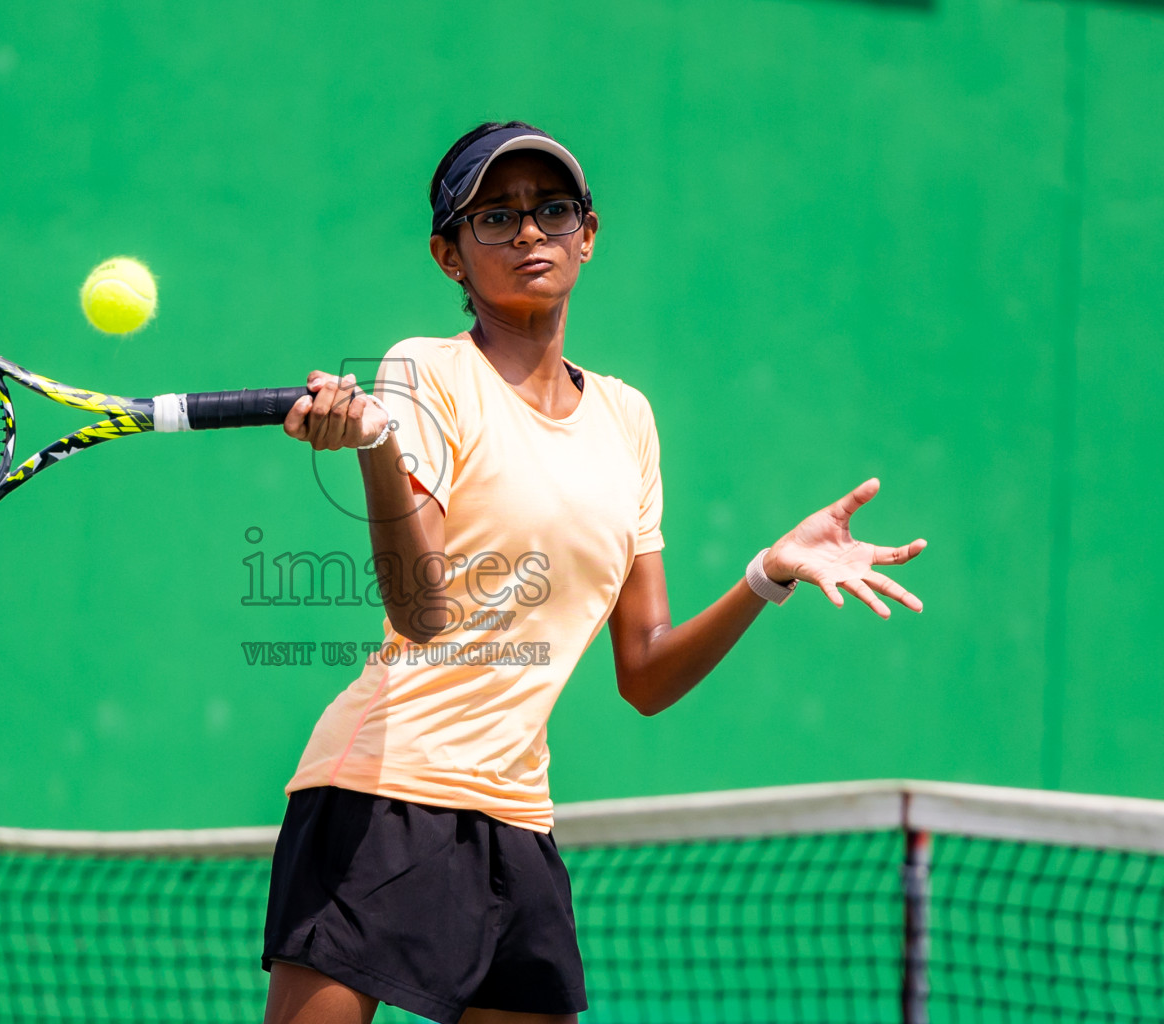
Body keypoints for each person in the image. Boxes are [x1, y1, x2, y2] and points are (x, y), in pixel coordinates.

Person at [269, 121, 927, 1024]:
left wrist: (768, 574)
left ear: (588, 232)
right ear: (448, 256)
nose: (530, 233)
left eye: (551, 210)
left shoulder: (628, 419)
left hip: (519, 817)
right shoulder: (425, 371)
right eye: (494, 217)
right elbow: (421, 612)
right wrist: (377, 447)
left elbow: (647, 672)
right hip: (383, 794)